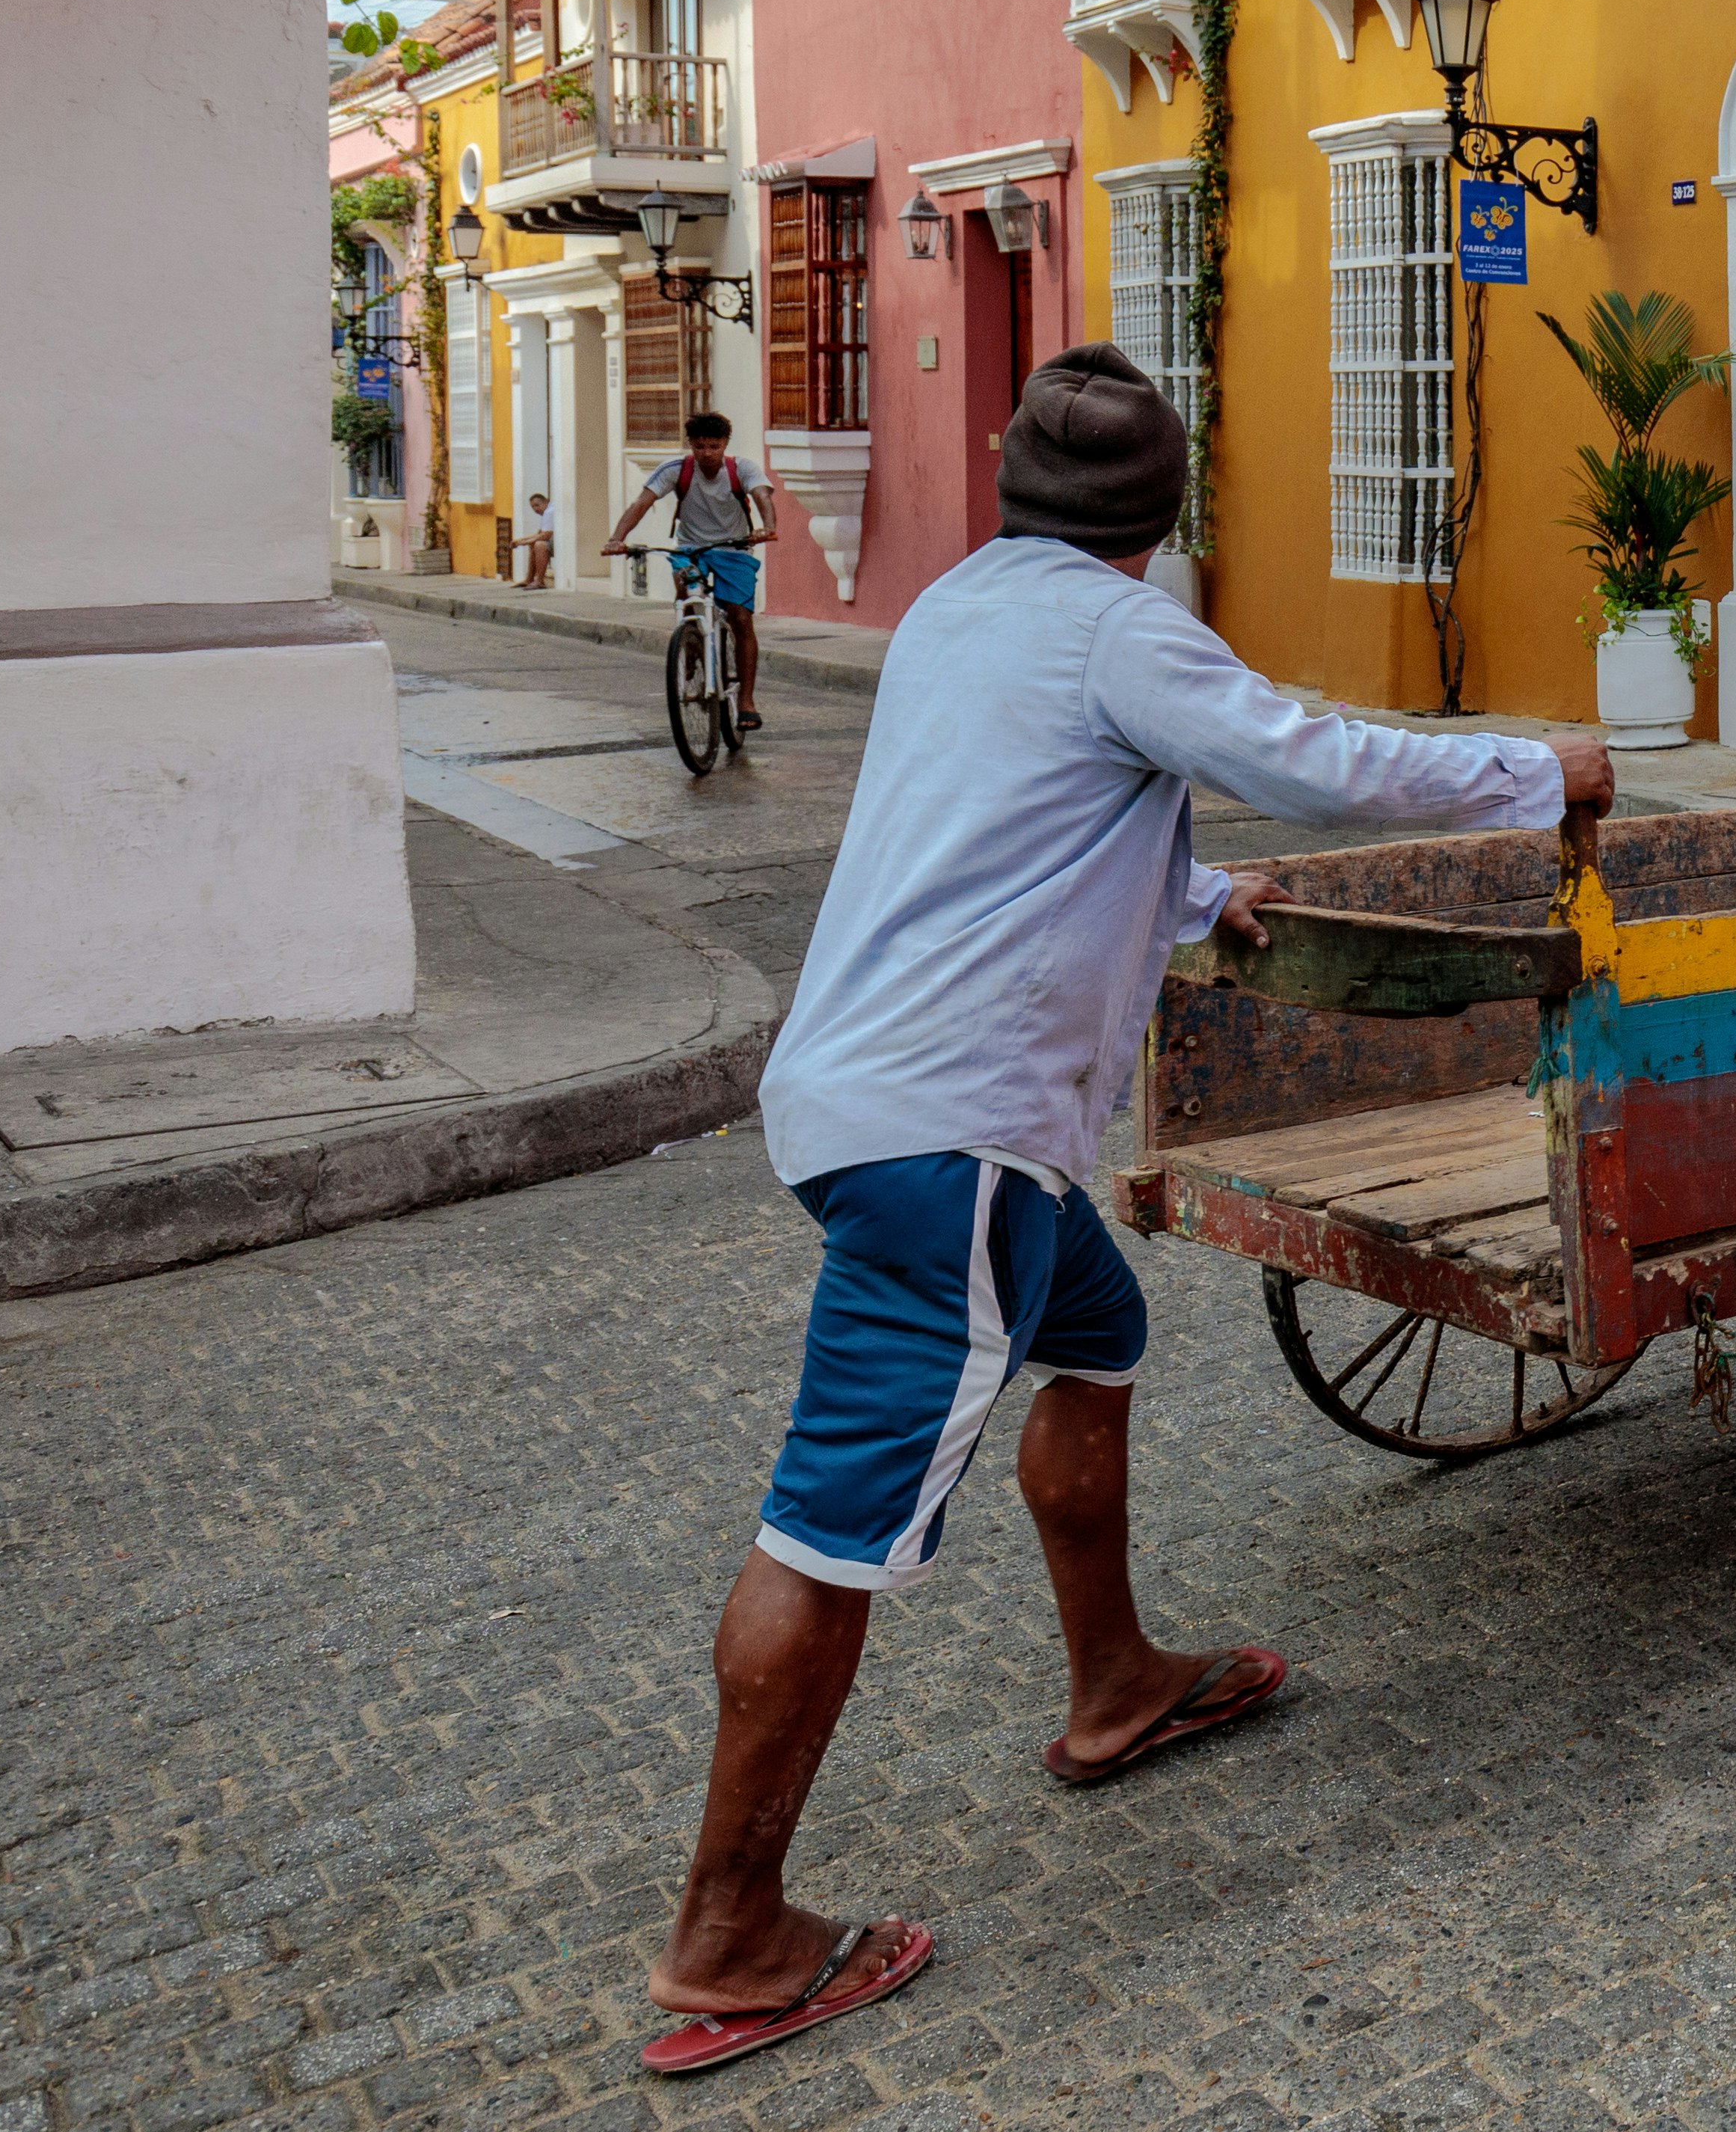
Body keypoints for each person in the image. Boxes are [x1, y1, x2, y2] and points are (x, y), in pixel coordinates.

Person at [637, 345, 1607, 2078]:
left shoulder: (959, 612)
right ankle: (729, 1934)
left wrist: (1206, 900)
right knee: (827, 1528)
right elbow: (1315, 760)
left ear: (1018, 487)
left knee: (1097, 1331)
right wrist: (1540, 776)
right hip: (958, 1141)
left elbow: (1029, 819)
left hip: (864, 1101)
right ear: (1161, 519)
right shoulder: (1123, 629)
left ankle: (1116, 1682)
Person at [604, 412, 782, 731]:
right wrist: (618, 539)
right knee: (687, 594)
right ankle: (691, 644)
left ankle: (746, 702)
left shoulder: (743, 469)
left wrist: (767, 528)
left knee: (741, 617)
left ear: (725, 445)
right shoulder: (676, 470)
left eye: (714, 446)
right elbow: (642, 503)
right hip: (691, 550)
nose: (707, 453)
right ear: (691, 446)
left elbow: (763, 497)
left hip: (734, 549)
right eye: (700, 446)